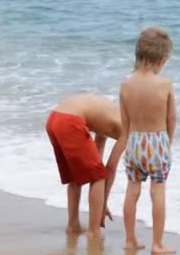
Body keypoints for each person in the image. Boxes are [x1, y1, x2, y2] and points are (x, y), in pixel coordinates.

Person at [106, 27, 177, 254]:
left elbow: (125, 124)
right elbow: (171, 118)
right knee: (157, 192)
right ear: (162, 60)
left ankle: (130, 240)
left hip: (135, 143)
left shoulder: (125, 85)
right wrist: (168, 142)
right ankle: (157, 244)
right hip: (157, 143)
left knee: (132, 190)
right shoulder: (165, 84)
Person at [45, 93, 123, 238]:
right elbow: (109, 168)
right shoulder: (130, 131)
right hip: (70, 121)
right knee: (99, 177)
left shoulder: (115, 116)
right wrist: (102, 203)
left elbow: (97, 154)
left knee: (77, 176)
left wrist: (101, 202)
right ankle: (94, 232)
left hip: (55, 118)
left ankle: (73, 225)